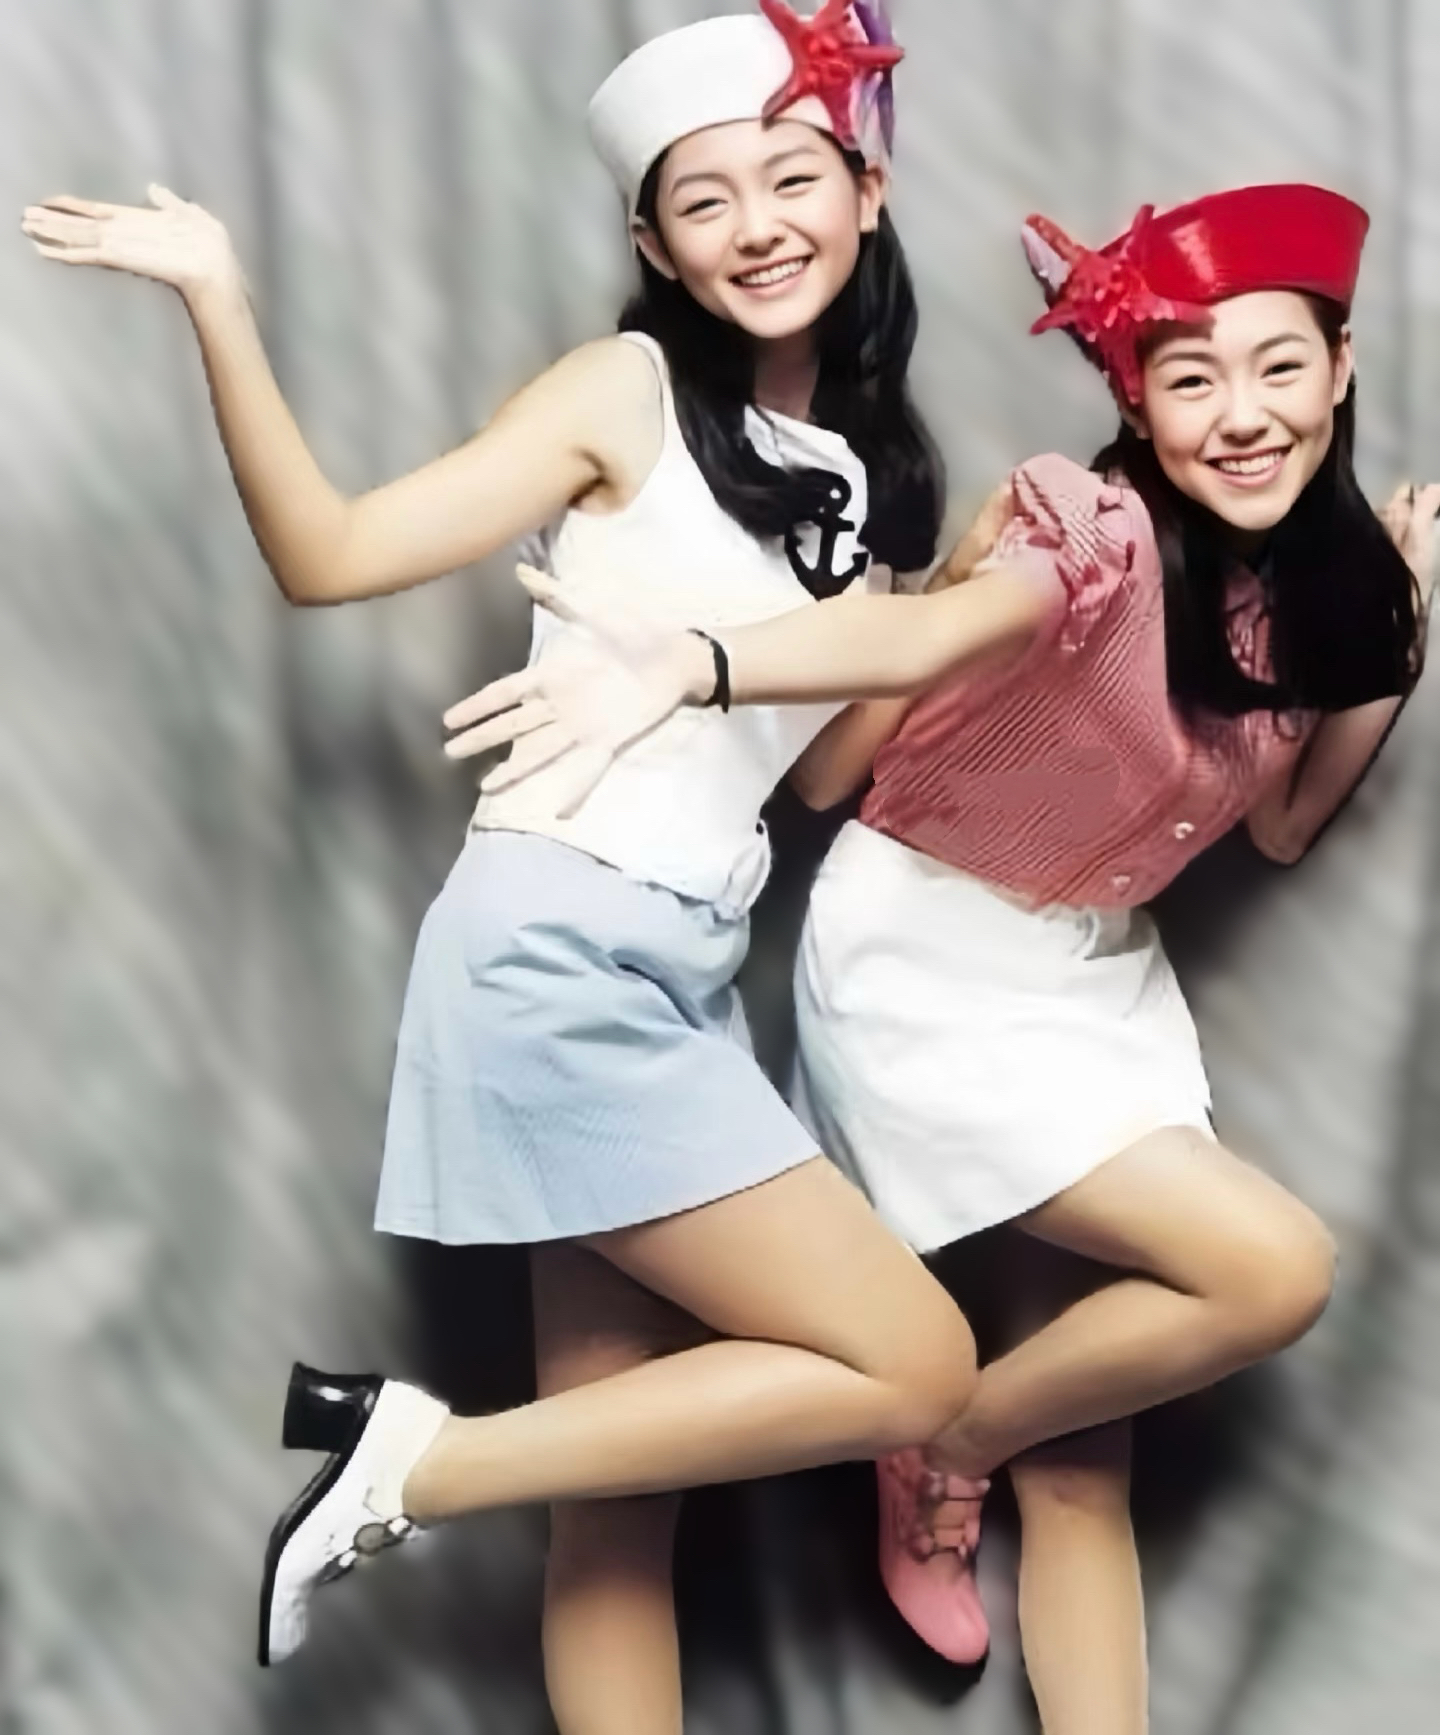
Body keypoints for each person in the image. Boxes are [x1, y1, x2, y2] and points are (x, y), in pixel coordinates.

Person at [22, 3, 1003, 1703]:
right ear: (654, 244)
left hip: (683, 971)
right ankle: (409, 1459)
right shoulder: (625, 393)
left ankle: (414, 1464)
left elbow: (821, 779)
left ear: (867, 193)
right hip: (556, 952)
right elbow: (331, 555)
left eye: (794, 178)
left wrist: (950, 604)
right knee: (916, 1366)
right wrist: (220, 301)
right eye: (706, 199)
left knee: (616, 1523)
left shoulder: (864, 479)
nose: (759, 225)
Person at [448, 183, 1434, 1734]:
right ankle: (949, 1436)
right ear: (1137, 404)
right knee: (1270, 1268)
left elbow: (1289, 824)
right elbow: (911, 649)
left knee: (1088, 1459)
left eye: (1278, 368)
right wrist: (702, 664)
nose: (1242, 416)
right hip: (926, 959)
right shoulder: (1087, 530)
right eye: (1190, 379)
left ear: (1341, 369)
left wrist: (1397, 629)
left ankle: (967, 1448)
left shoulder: (1315, 600)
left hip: (1097, 979)